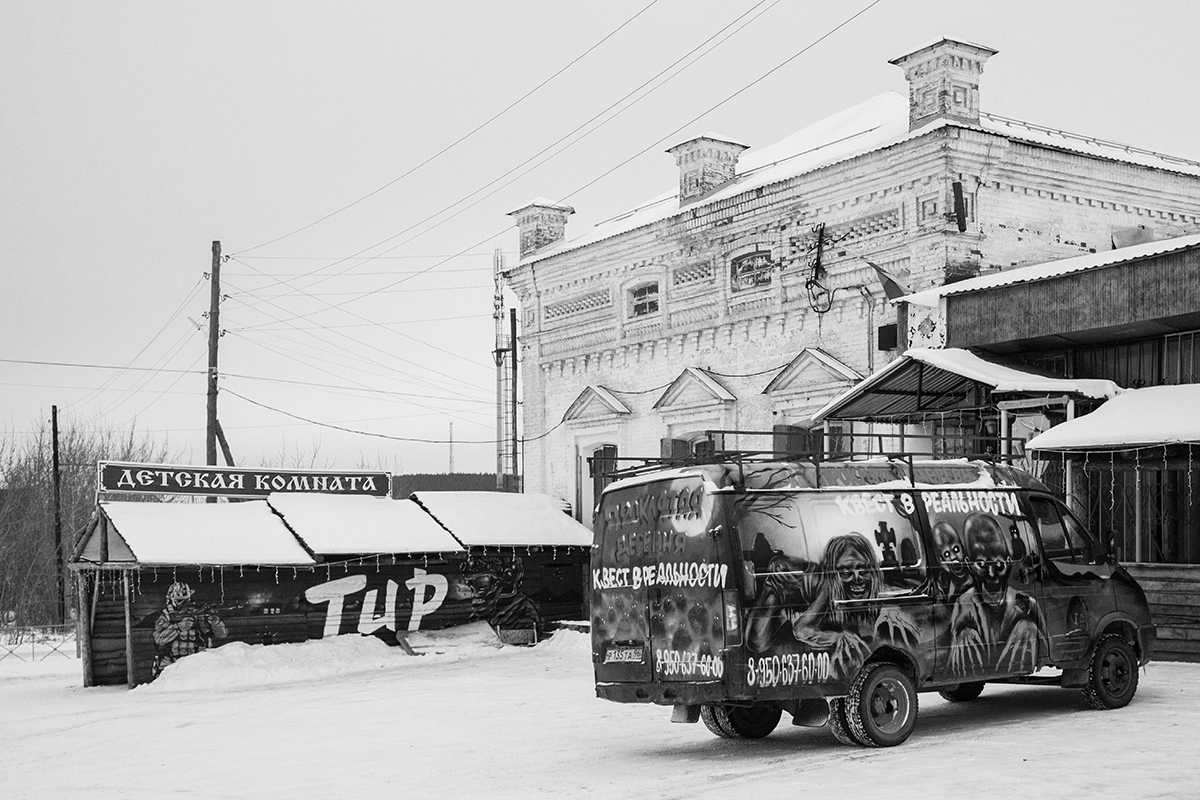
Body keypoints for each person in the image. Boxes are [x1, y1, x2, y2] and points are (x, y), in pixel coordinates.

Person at [151, 581, 228, 676]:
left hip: (197, 664)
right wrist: (178, 627)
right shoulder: (165, 616)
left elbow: (222, 635)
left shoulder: (198, 612)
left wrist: (216, 623)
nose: (182, 604)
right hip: (172, 663)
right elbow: (158, 639)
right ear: (170, 599)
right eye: (179, 600)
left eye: (185, 600)